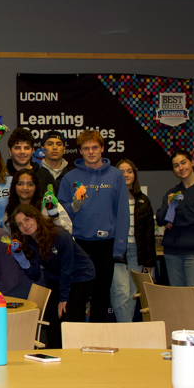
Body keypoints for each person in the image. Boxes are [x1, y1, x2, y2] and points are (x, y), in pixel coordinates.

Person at [57, 130, 130, 323]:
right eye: (86, 148)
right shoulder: (70, 178)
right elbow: (60, 215)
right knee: (77, 297)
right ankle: (76, 343)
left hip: (105, 244)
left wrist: (119, 248)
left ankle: (98, 345)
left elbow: (122, 213)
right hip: (78, 244)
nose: (91, 152)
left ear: (102, 148)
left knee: (101, 297)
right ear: (79, 151)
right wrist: (73, 206)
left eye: (95, 147)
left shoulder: (115, 175)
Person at [11, 204, 95, 348]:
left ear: (36, 218)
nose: (25, 225)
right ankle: (55, 353)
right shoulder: (30, 243)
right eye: (20, 224)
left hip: (81, 275)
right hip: (58, 277)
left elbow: (67, 269)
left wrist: (63, 298)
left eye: (27, 219)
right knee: (51, 316)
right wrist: (23, 261)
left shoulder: (61, 235)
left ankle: (72, 355)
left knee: (68, 316)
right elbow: (36, 275)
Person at [155, 150, 194, 311]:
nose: (180, 168)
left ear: (192, 163)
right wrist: (168, 211)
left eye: (183, 163)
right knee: (178, 300)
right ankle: (181, 335)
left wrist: (172, 216)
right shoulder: (172, 192)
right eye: (176, 165)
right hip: (172, 252)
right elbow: (160, 218)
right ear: (173, 170)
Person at [110, 159, 156, 323]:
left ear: (134, 174)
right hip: (118, 253)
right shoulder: (111, 198)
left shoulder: (143, 200)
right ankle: (126, 333)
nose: (126, 175)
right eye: (121, 172)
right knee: (121, 293)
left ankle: (126, 333)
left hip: (137, 253)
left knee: (132, 295)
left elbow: (149, 232)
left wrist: (150, 261)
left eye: (129, 171)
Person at [4, 168, 71, 232]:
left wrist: (54, 216)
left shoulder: (47, 204)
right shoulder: (10, 210)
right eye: (20, 184)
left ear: (36, 187)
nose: (25, 188)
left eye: (30, 184)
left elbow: (68, 230)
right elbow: (8, 237)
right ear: (14, 186)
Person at [6, 127, 53, 192]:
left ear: (32, 151)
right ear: (10, 151)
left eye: (26, 148)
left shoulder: (44, 176)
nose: (22, 152)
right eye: (17, 148)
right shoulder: (2, 175)